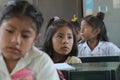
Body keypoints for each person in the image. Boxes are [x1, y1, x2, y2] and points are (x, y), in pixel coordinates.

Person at [0, 0, 60, 80]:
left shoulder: (42, 62)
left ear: (35, 39)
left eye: (25, 36)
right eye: (10, 31)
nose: (16, 40)